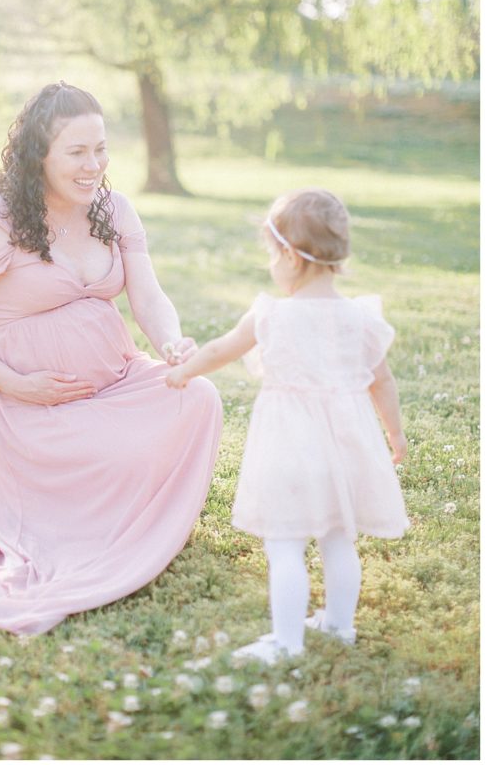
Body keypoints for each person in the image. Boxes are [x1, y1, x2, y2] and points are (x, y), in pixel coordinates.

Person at [0, 82, 222, 635]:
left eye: (101, 149)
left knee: (198, 396)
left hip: (114, 379)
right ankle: (86, 518)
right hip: (24, 402)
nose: (94, 166)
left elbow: (148, 294)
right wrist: (17, 385)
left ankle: (129, 517)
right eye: (77, 152)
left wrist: (172, 346)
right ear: (40, 152)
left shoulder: (112, 207)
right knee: (115, 450)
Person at [166, 188, 408, 664]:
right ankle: (339, 626)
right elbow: (383, 382)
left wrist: (183, 370)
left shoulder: (271, 314)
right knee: (340, 537)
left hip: (290, 448)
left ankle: (286, 643)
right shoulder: (359, 317)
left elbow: (219, 350)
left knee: (285, 545)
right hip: (346, 448)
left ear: (291, 259)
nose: (270, 266)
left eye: (271, 255)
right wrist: (394, 434)